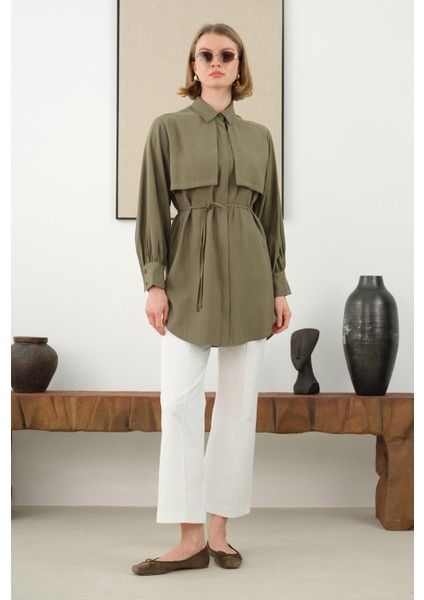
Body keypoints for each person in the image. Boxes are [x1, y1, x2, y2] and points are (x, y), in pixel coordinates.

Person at [133, 23, 291, 576]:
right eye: (206, 55)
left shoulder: (260, 138)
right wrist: (154, 281)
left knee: (238, 408)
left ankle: (220, 533)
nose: (217, 61)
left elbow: (270, 218)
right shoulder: (167, 129)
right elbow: (153, 208)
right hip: (186, 278)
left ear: (239, 66)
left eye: (228, 54)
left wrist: (279, 285)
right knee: (179, 405)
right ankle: (188, 538)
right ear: (194, 66)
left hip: (251, 279)